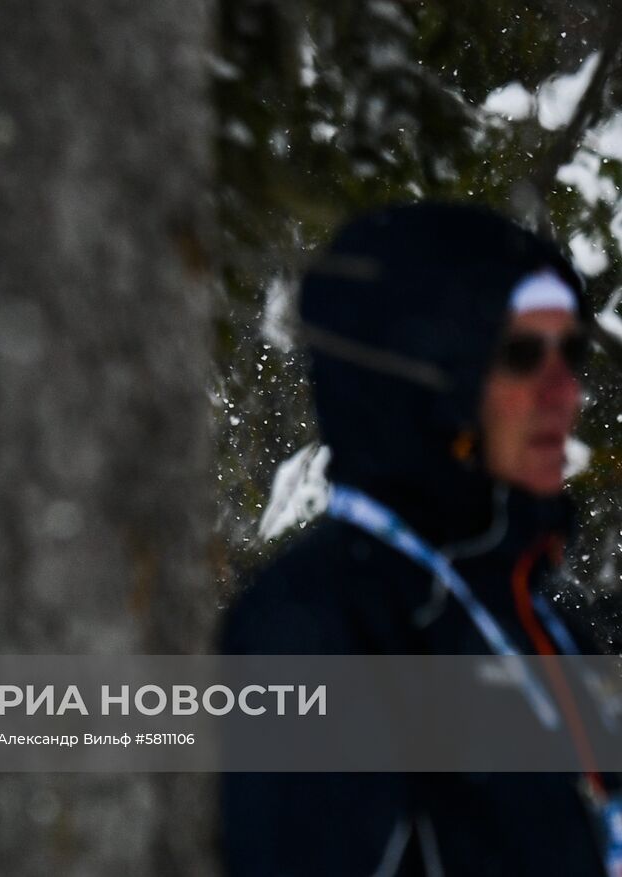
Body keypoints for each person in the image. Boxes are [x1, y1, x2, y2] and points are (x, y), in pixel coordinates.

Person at [221, 202, 616, 875]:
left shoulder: (544, 620)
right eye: (521, 354)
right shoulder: (318, 632)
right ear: (427, 377)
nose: (564, 392)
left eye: (571, 350)